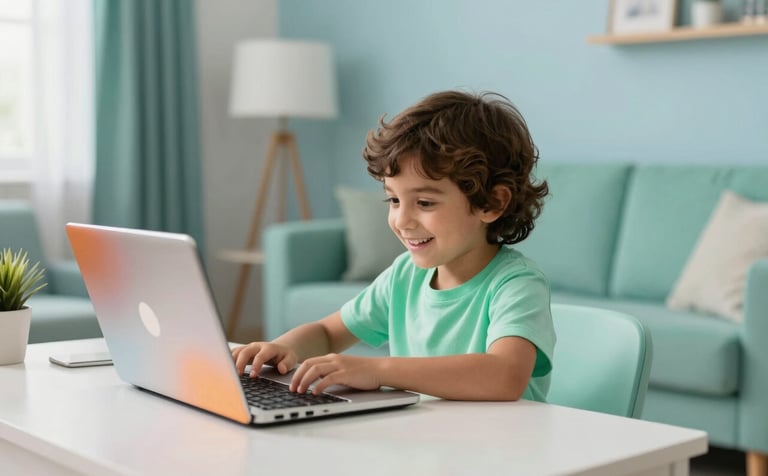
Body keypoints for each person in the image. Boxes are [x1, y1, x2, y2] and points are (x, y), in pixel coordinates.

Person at [233, 90, 555, 401]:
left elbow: (504, 375)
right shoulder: (404, 275)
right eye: (394, 199)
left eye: (425, 202)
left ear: (492, 203)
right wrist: (286, 348)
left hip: (504, 449)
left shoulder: (516, 284)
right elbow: (328, 332)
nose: (402, 220)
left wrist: (379, 370)